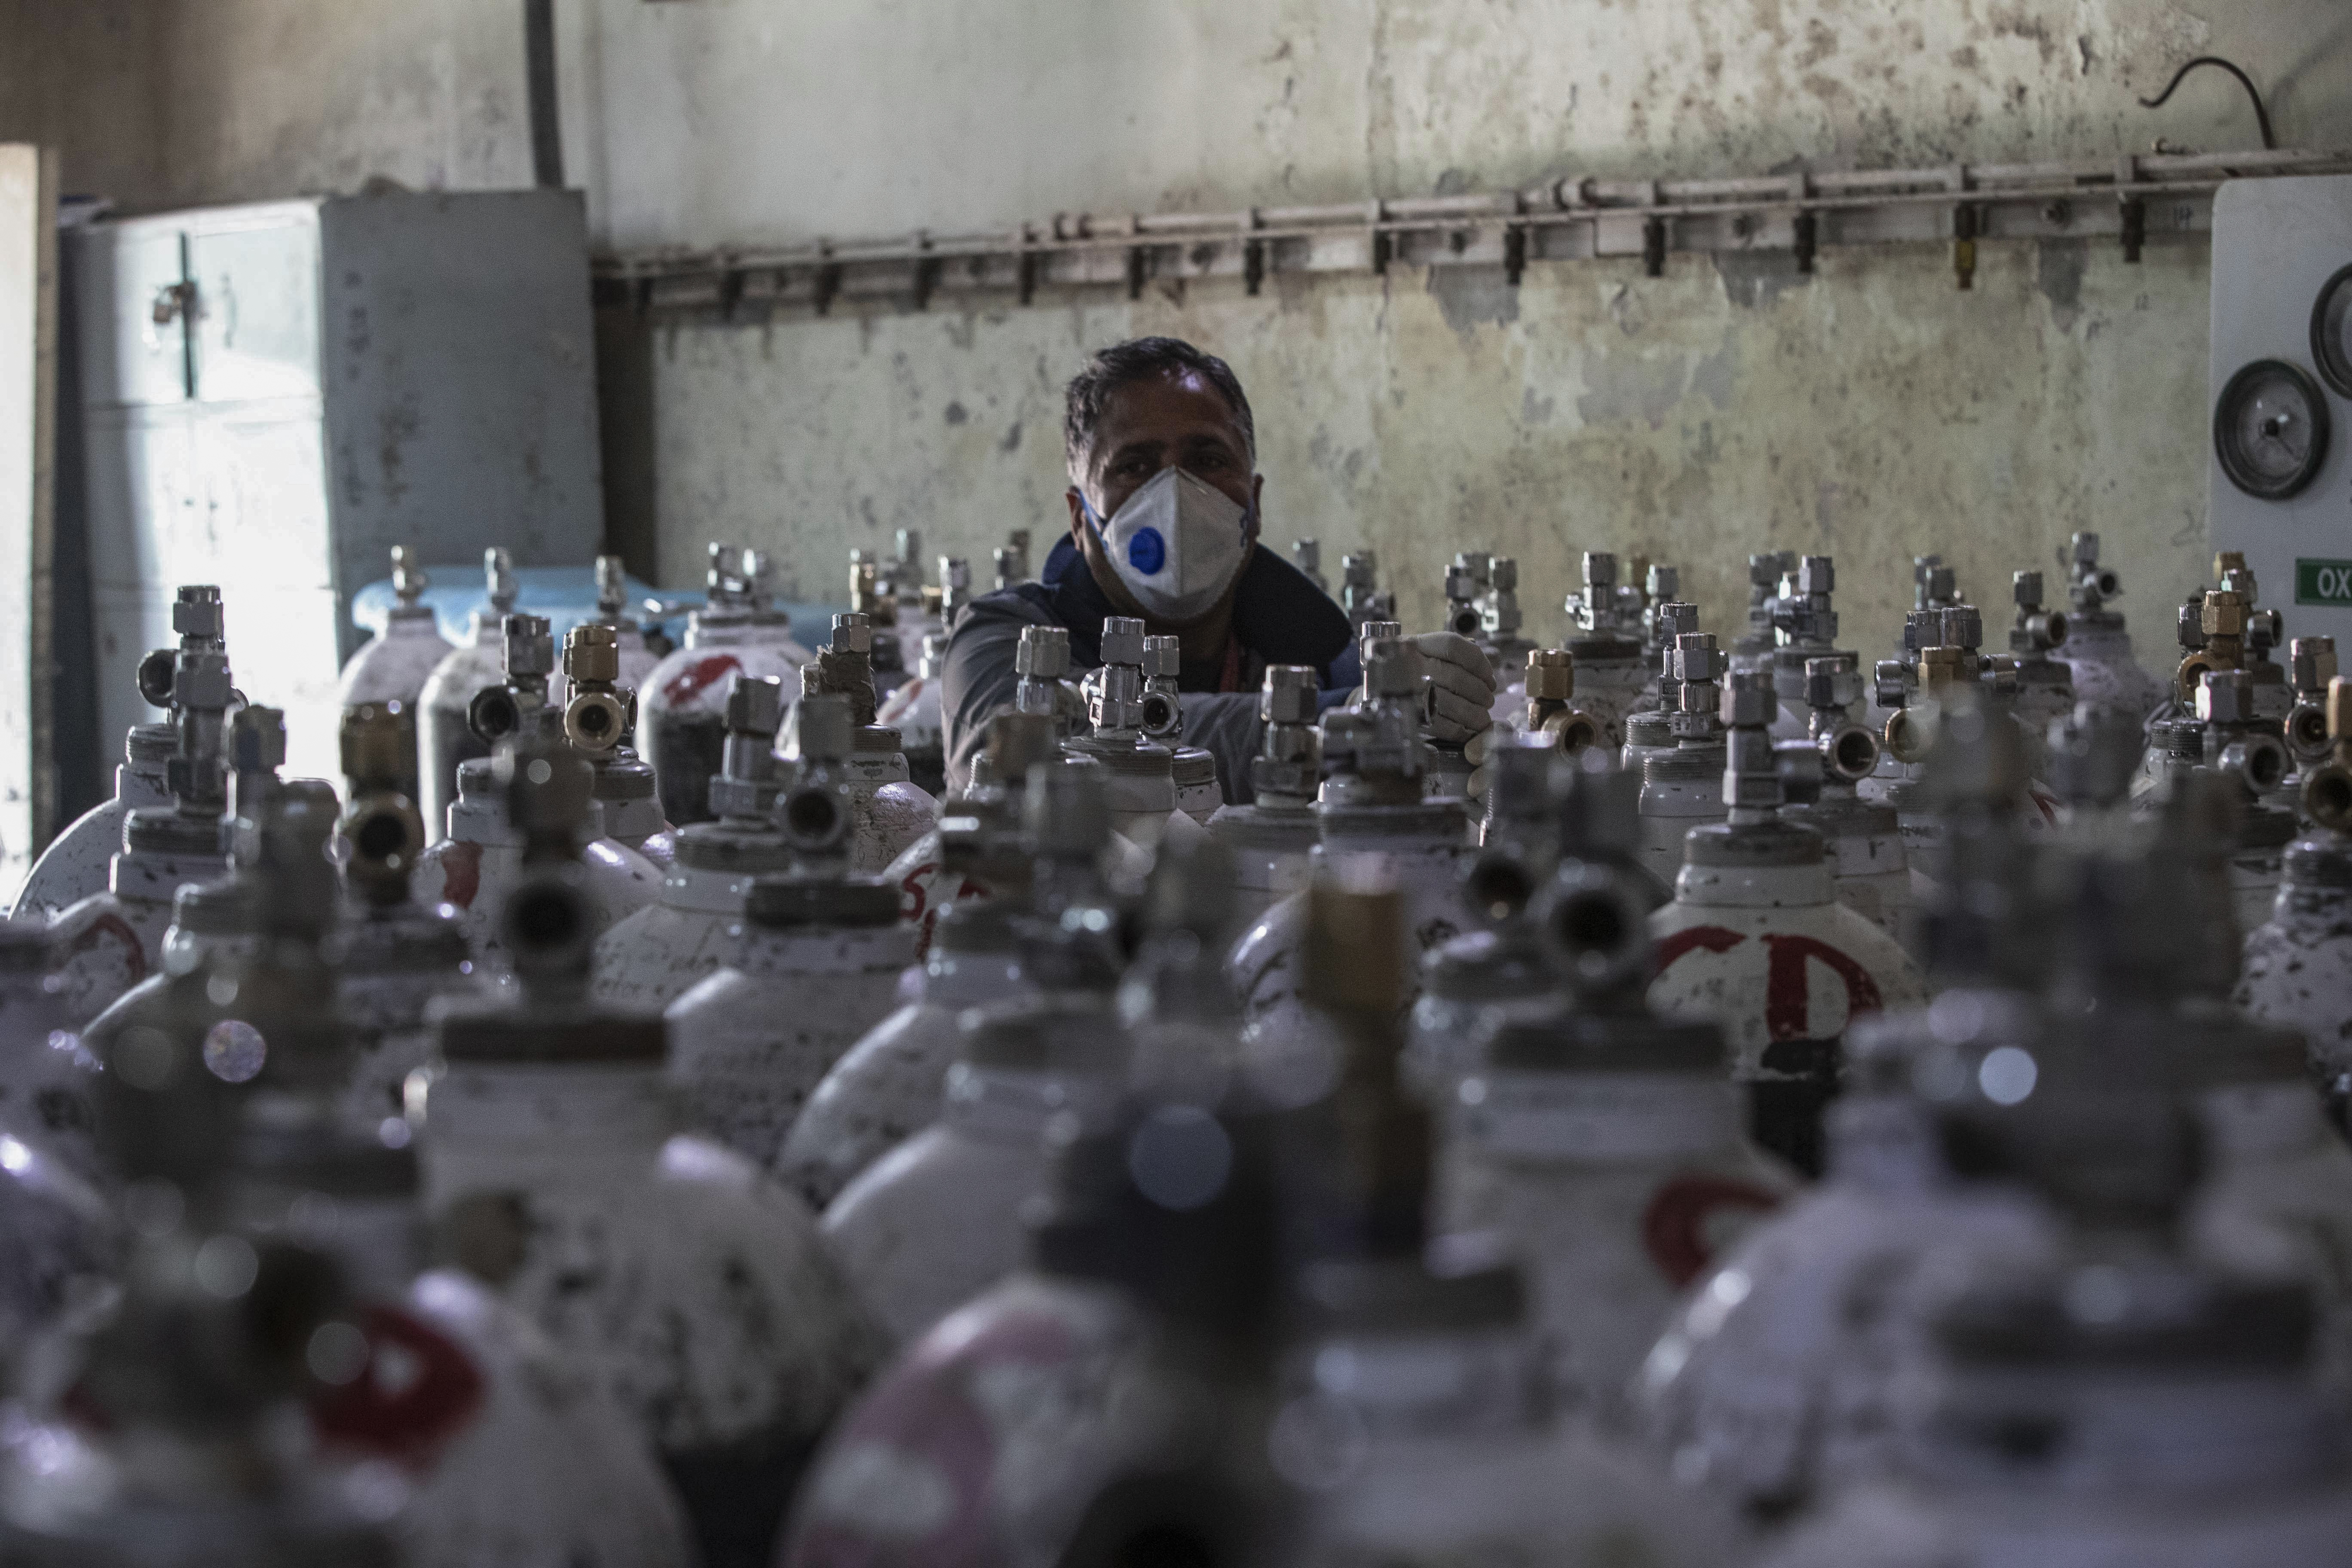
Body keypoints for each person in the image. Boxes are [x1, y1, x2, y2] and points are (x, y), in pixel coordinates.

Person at [939, 336, 1496, 799]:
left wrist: (1446, 730)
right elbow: (1016, 756)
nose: (1176, 494)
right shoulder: (1000, 641)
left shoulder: (1327, 658)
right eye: (1135, 467)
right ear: (1080, 517)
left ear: (1254, 504)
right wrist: (1346, 727)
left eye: (1208, 460)